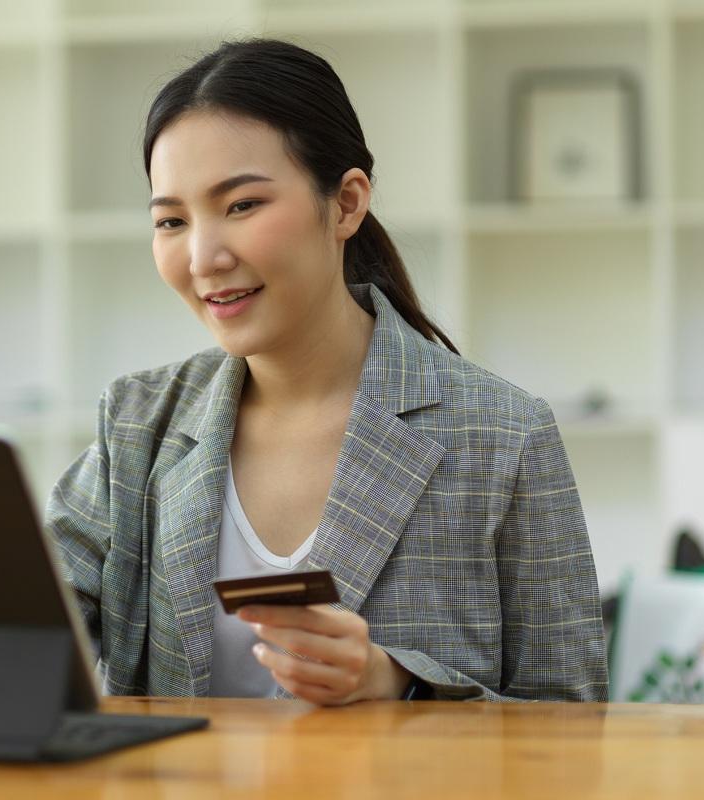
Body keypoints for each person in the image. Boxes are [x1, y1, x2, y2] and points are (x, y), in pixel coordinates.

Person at [45, 38, 607, 703]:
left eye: (241, 205)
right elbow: (19, 622)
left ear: (345, 203)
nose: (203, 257)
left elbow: (574, 725)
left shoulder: (504, 435)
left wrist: (395, 684)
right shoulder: (138, 424)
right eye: (171, 220)